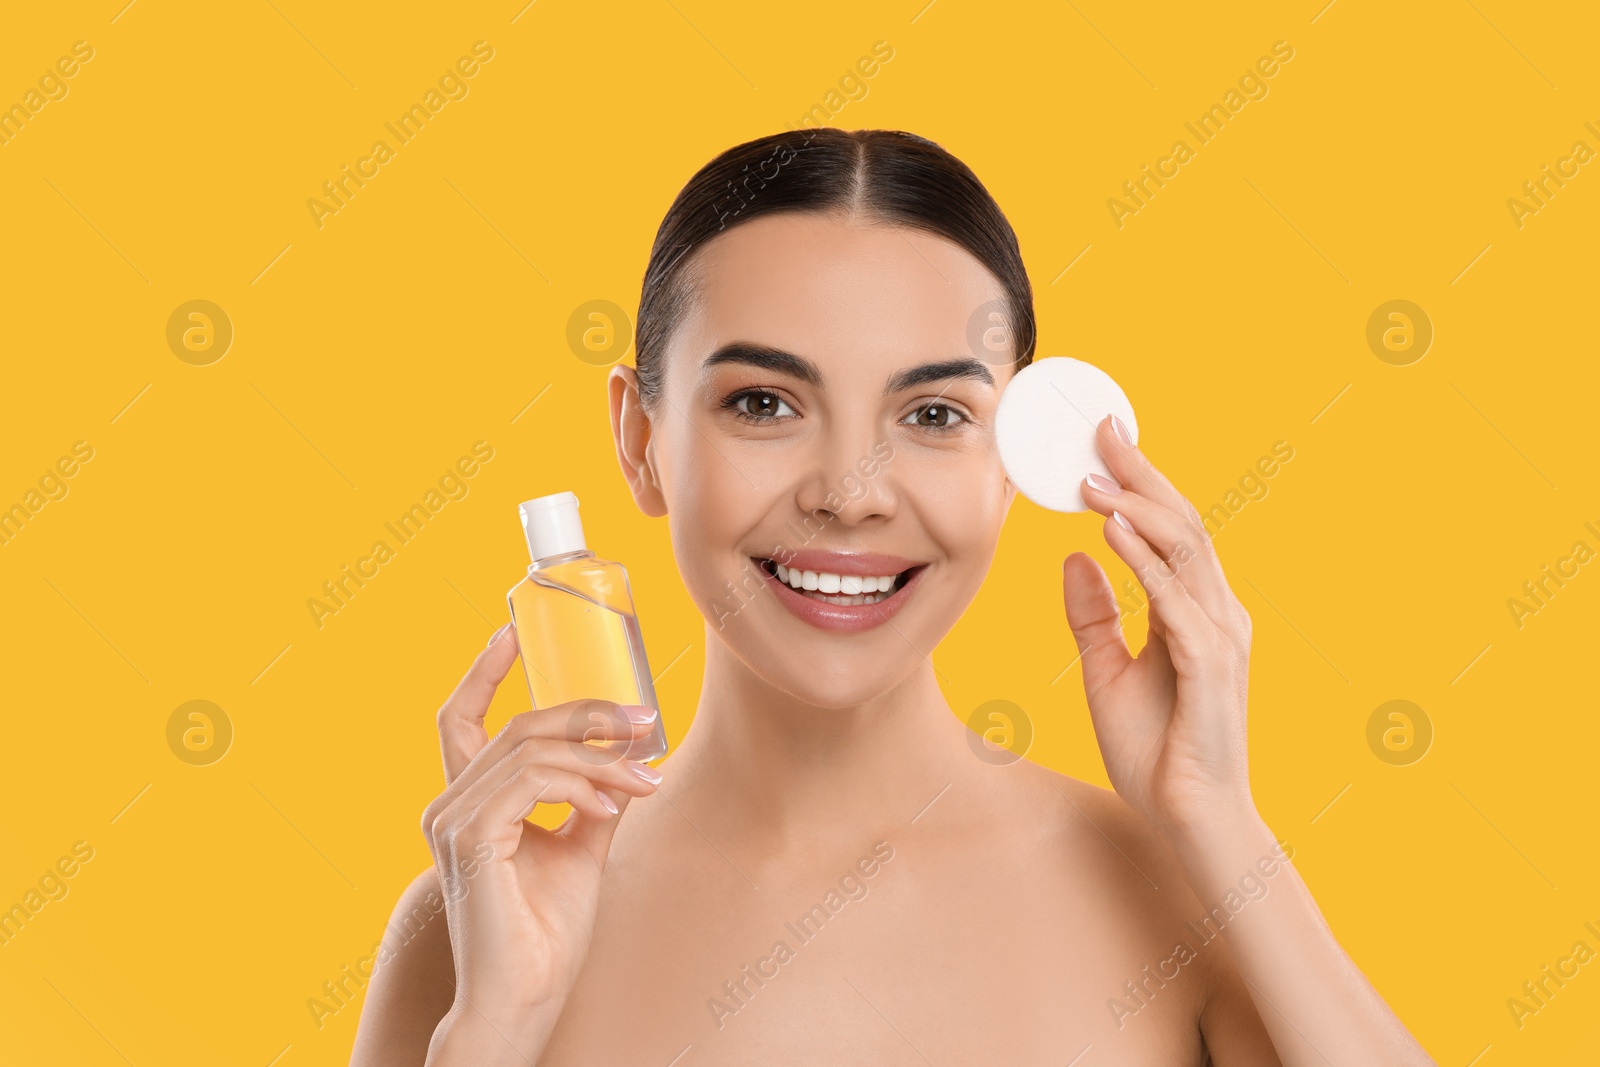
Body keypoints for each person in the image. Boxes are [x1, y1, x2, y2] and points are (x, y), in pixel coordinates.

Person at [351, 128, 1435, 1065]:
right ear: (640, 440)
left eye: (931, 416)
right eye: (765, 401)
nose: (849, 495)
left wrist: (1219, 821)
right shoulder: (473, 928)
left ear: (1014, 453)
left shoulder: (1188, 895)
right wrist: (495, 1026)